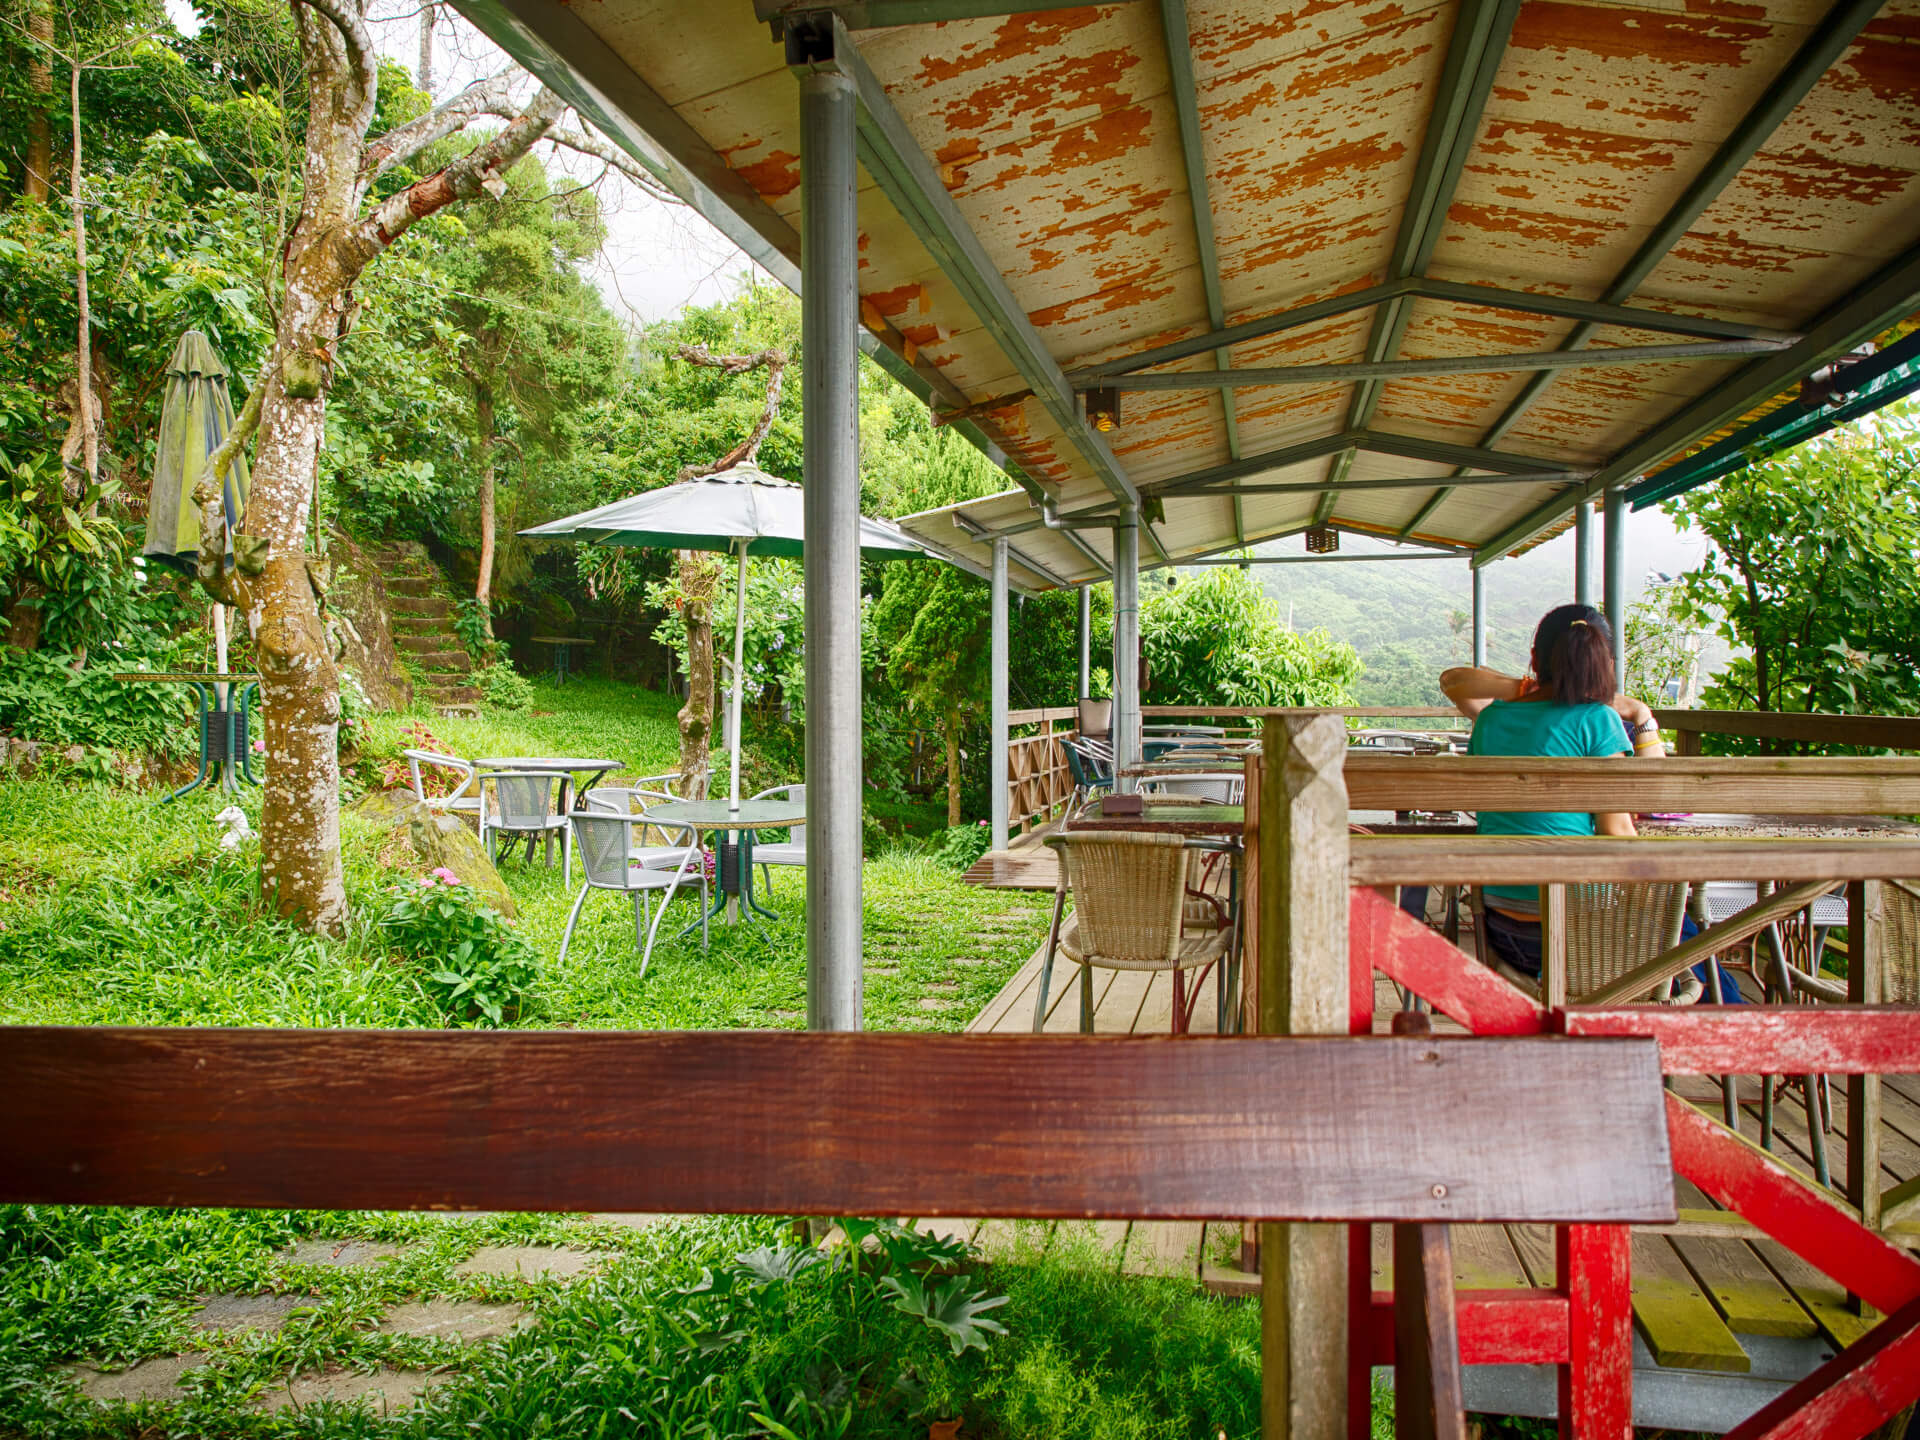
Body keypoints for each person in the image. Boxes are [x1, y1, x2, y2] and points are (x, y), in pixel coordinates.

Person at [1440, 604, 1735, 1000]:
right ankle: (1745, 1036)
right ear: (1605, 662)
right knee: (1679, 926)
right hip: (1574, 938)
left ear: (1534, 658)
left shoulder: (1493, 719)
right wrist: (1643, 716)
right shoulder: (1597, 720)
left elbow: (1454, 682)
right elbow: (1620, 827)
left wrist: (1524, 688)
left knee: (1682, 933)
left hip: (1502, 932)